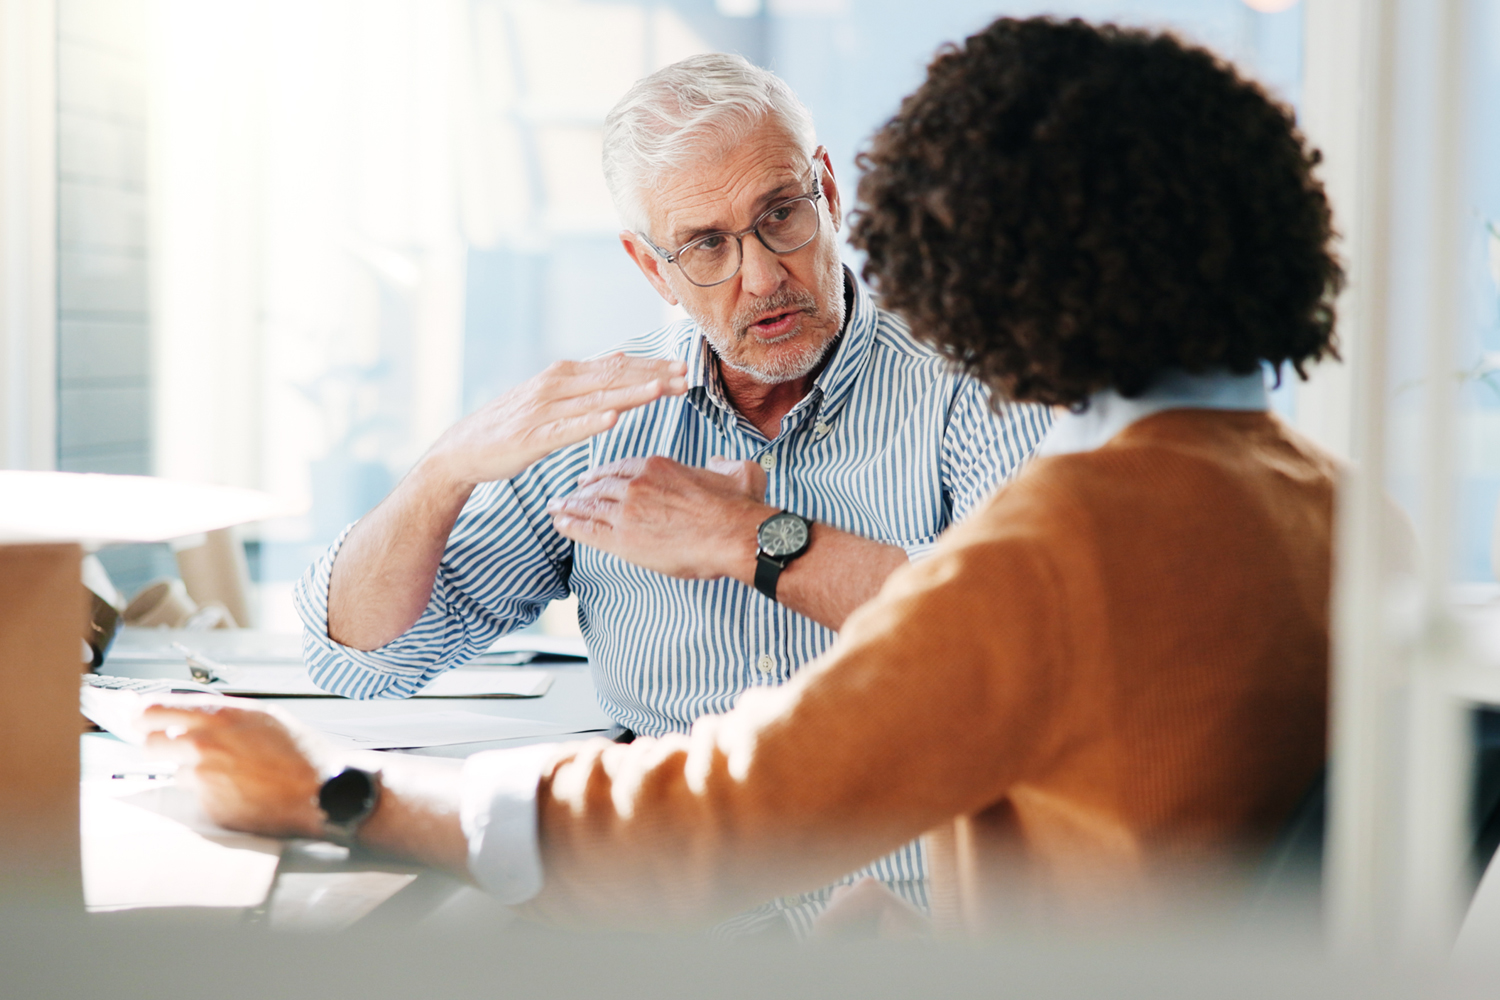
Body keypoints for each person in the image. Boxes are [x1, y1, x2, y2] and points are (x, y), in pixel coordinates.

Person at [146, 17, 1342, 933]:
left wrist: (337, 796)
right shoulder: (1319, 498)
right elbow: (367, 654)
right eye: (708, 245)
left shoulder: (1066, 537)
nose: (763, 274)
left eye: (783, 218)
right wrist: (447, 466)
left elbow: (728, 809)